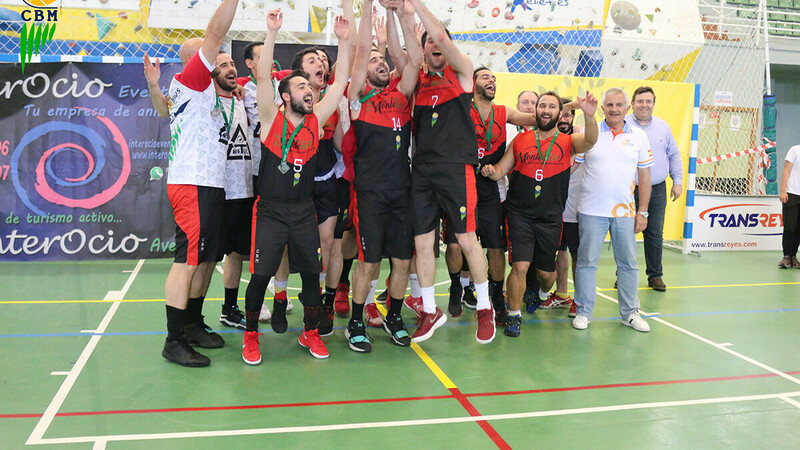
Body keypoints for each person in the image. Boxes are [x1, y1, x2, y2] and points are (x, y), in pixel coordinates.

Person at [241, 8, 351, 365]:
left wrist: (343, 41)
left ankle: (311, 332)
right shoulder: (271, 119)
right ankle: (250, 336)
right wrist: (271, 33)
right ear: (286, 96)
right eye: (301, 86)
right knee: (260, 276)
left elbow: (339, 82)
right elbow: (262, 78)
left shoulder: (316, 122)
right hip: (270, 211)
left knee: (311, 276)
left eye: (309, 87)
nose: (309, 91)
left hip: (304, 211)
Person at [407, 0, 495, 344]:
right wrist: (400, 15)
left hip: (455, 168)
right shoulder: (418, 81)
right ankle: (430, 310)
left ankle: (485, 307)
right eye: (427, 41)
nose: (434, 43)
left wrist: (415, 5)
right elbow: (405, 55)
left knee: (467, 239)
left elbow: (442, 37)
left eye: (437, 39)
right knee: (422, 242)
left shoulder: (462, 73)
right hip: (421, 170)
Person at [160, 0, 240, 367]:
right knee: (187, 262)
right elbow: (215, 33)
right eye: (213, 56)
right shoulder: (191, 79)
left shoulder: (205, 91)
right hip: (191, 182)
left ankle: (191, 324)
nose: (219, 60)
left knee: (205, 259)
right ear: (196, 61)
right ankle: (173, 339)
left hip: (208, 183)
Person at [481, 91, 598, 337]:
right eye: (542, 105)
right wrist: (490, 171)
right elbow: (501, 169)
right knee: (520, 266)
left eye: (551, 106)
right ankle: (514, 315)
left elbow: (590, 141)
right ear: (536, 111)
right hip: (519, 214)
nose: (546, 110)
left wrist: (589, 116)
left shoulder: (568, 141)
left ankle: (542, 293)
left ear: (560, 113)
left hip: (551, 218)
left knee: (546, 274)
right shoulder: (521, 140)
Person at [344, 0, 421, 352]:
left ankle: (394, 316)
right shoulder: (358, 99)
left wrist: (392, 11)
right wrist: (366, 8)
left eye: (382, 60)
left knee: (402, 261)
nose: (380, 63)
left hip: (401, 191)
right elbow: (360, 52)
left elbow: (413, 61)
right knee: (368, 261)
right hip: (370, 193)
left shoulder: (402, 96)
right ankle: (355, 321)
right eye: (374, 61)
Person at [443, 67, 536, 324]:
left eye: (494, 78)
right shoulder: (460, 107)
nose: (491, 80)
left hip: (489, 188)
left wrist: (569, 109)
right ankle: (455, 286)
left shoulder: (503, 112)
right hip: (460, 183)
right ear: (473, 82)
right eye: (485, 77)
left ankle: (496, 297)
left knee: (496, 248)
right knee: (454, 245)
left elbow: (535, 118)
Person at [572, 87, 653, 333]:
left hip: (625, 213)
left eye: (619, 105)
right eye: (609, 105)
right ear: (602, 108)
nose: (614, 109)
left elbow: (645, 177)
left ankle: (630, 314)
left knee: (628, 264)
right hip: (591, 210)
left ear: (627, 108)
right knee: (586, 262)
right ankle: (583, 312)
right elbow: (572, 168)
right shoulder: (589, 133)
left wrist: (643, 211)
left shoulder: (639, 136)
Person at [626, 86, 683, 291]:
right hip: (627, 189)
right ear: (632, 104)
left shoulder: (663, 127)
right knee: (625, 234)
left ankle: (655, 275)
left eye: (648, 101)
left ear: (653, 104)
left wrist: (677, 181)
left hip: (657, 188)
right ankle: (624, 275)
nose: (644, 105)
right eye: (640, 101)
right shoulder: (623, 125)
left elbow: (674, 154)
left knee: (655, 233)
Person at [213, 51, 254, 330]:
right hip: (218, 190)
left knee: (237, 253)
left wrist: (238, 86)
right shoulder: (207, 100)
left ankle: (229, 309)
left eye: (232, 64)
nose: (230, 68)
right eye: (223, 65)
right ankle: (191, 316)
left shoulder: (241, 99)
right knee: (207, 259)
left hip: (244, 189)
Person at [541, 98, 581, 312]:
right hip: (553, 207)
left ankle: (580, 301)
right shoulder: (546, 138)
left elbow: (568, 168)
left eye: (567, 115)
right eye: (560, 115)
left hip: (576, 208)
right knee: (559, 251)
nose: (563, 119)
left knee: (577, 254)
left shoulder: (580, 138)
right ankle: (562, 294)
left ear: (573, 118)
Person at [780, 144, 800, 268]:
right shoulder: (794, 150)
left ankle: (793, 256)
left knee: (798, 228)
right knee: (790, 227)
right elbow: (786, 171)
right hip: (791, 193)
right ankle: (786, 256)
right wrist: (783, 191)